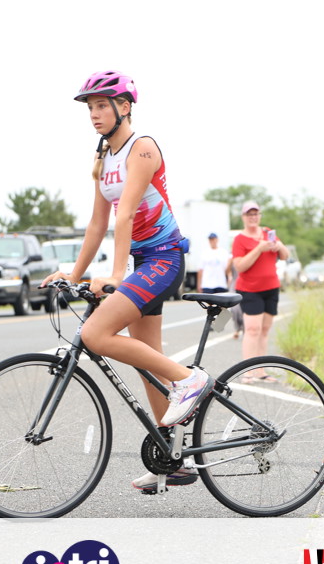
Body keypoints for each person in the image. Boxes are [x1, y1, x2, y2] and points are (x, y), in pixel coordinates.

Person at [41, 70, 213, 492]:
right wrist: (73, 274)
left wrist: (117, 275)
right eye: (90, 107)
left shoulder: (143, 148)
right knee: (146, 360)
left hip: (164, 258)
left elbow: (128, 214)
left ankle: (189, 380)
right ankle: (171, 459)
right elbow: (97, 223)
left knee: (96, 334)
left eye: (102, 105)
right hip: (142, 261)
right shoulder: (104, 156)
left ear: (125, 107)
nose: (94, 114)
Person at [231, 200, 290, 381]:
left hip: (271, 287)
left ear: (260, 215)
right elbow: (240, 266)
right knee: (252, 329)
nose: (253, 217)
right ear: (243, 217)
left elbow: (285, 256)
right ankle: (248, 372)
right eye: (249, 214)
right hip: (250, 289)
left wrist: (279, 246)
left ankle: (260, 371)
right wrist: (259, 249)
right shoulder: (240, 239)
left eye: (256, 214)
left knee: (264, 330)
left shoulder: (267, 233)